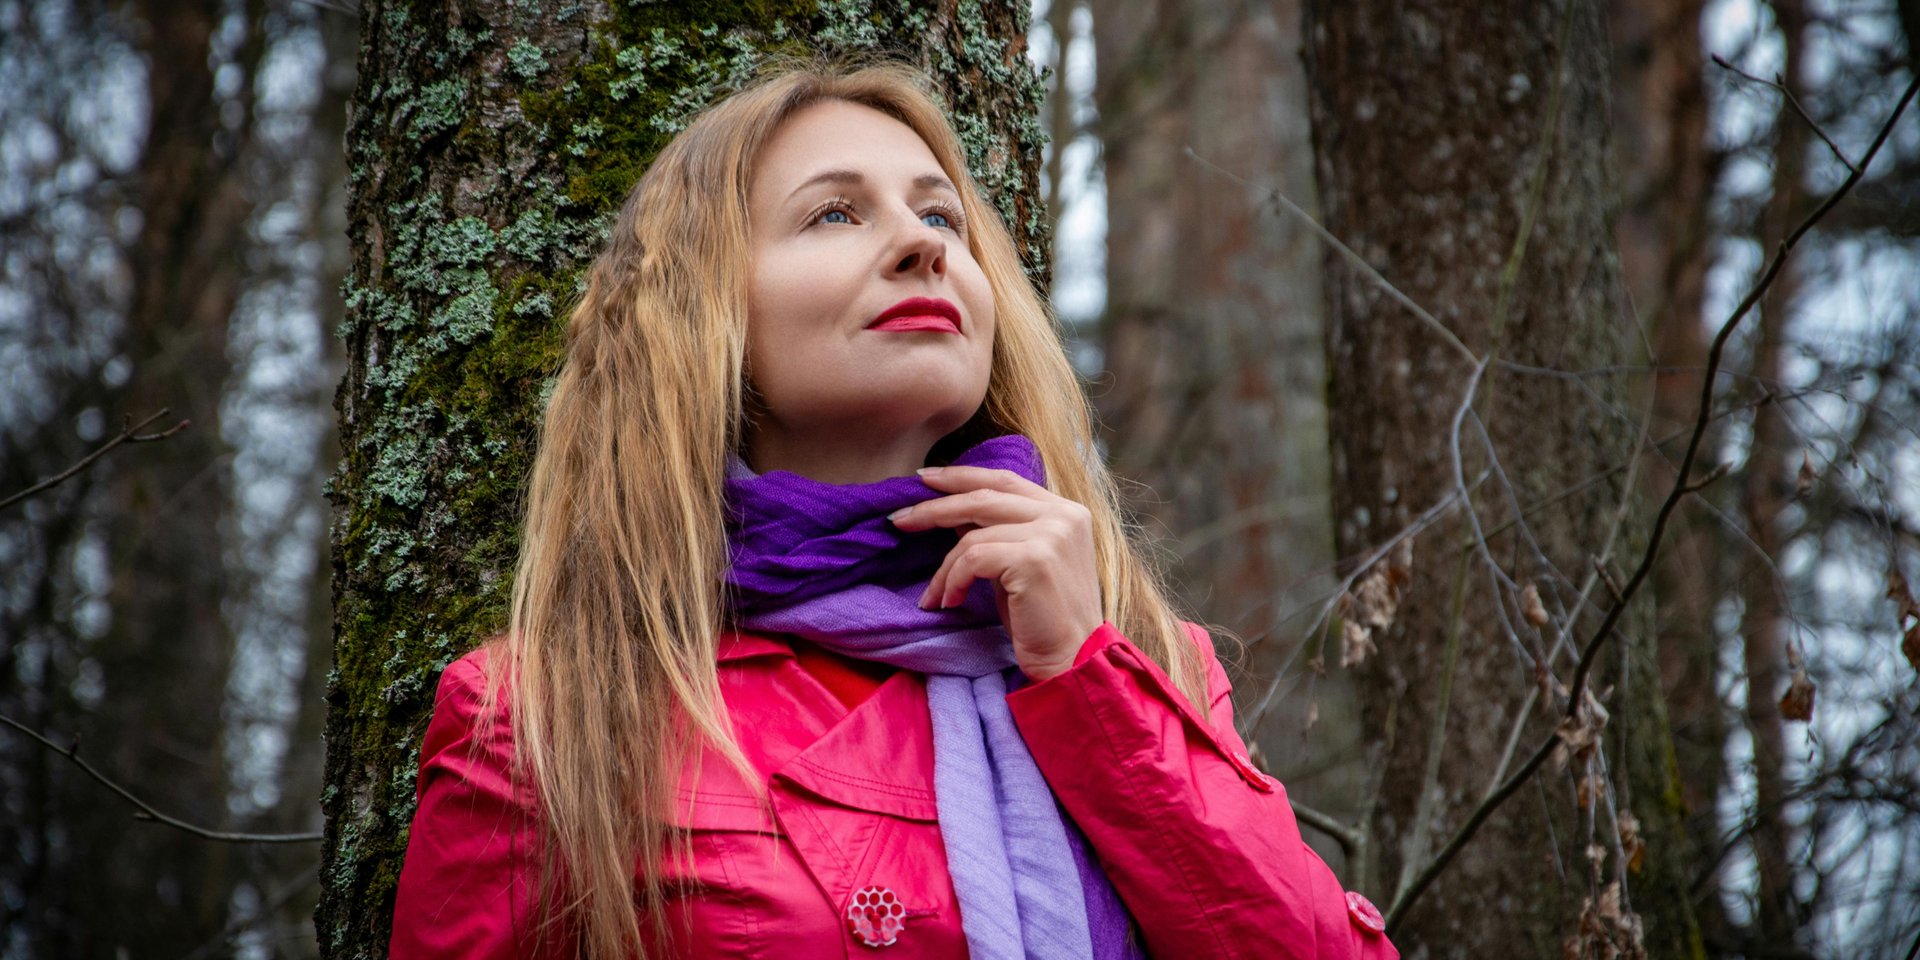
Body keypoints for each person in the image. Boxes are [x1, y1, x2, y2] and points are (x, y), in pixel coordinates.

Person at [387, 56, 1399, 960]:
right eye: (835, 213)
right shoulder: (551, 713)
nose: (922, 248)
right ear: (704, 315)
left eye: (940, 217)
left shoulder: (1143, 657)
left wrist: (1083, 680)